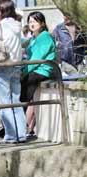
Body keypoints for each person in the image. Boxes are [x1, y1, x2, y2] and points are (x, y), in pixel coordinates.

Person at [0, 0, 27, 144]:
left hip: (3, 66)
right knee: (16, 101)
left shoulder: (0, 26)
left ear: (2, 11)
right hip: (17, 65)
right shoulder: (17, 25)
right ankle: (21, 134)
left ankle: (11, 135)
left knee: (5, 102)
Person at [21, 11, 56, 140]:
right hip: (34, 69)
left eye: (34, 21)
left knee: (24, 94)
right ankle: (21, 125)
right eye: (30, 22)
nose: (32, 24)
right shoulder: (34, 38)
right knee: (23, 92)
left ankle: (22, 126)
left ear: (42, 23)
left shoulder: (45, 37)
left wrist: (23, 72)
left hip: (42, 70)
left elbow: (36, 59)